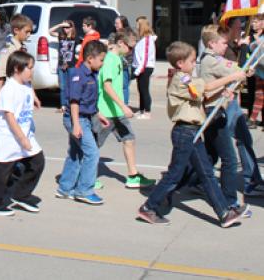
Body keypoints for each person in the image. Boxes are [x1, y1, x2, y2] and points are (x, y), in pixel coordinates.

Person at [137, 41, 248, 227]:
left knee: (207, 174)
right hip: (184, 131)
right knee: (175, 174)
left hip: (193, 131)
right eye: (192, 60)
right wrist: (231, 77)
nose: (194, 63)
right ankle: (149, 207)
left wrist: (224, 91)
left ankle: (224, 213)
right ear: (180, 63)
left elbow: (203, 97)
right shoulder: (182, 79)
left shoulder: (188, 79)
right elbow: (204, 88)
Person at [201, 24, 263, 200]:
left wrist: (245, 71)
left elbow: (236, 69)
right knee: (223, 155)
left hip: (228, 103)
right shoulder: (213, 57)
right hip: (218, 109)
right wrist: (243, 50)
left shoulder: (223, 51)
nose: (226, 44)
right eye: (224, 41)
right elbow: (232, 69)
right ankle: (230, 200)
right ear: (213, 42)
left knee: (214, 151)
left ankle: (193, 179)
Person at [0, 51, 45, 216]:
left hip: (24, 132)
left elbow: (28, 90)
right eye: (30, 68)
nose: (32, 71)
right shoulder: (9, 89)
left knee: (38, 163)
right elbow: (9, 117)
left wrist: (35, 98)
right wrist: (22, 139)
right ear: (18, 69)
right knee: (3, 171)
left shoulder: (25, 84)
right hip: (9, 136)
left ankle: (21, 195)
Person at [95, 31, 155, 189]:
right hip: (106, 112)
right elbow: (107, 86)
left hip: (116, 112)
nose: (131, 51)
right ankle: (85, 177)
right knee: (93, 146)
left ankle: (133, 176)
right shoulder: (110, 60)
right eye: (130, 47)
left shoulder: (118, 59)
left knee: (129, 138)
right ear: (120, 42)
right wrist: (123, 105)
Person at [55, 40, 109, 205]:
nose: (102, 63)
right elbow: (74, 102)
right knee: (92, 153)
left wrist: (98, 114)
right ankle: (84, 191)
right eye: (101, 60)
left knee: (76, 153)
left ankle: (64, 188)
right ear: (90, 58)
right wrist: (77, 124)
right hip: (76, 118)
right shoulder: (78, 75)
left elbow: (88, 101)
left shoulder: (92, 74)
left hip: (84, 117)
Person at [0, 14, 40, 108]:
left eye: (30, 32)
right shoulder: (8, 48)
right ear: (16, 30)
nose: (29, 35)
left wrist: (33, 95)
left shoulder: (23, 48)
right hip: (11, 91)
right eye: (26, 32)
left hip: (22, 90)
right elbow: (1, 74)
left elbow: (28, 75)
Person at [49, 19, 77, 112]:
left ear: (72, 28)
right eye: (64, 28)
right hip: (61, 64)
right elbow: (50, 31)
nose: (65, 29)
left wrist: (70, 32)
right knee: (62, 86)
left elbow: (73, 50)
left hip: (71, 65)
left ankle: (70, 105)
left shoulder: (75, 38)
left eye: (67, 27)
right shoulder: (61, 36)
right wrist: (60, 25)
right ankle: (63, 106)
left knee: (71, 85)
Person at [133, 16, 157, 119]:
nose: (136, 26)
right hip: (141, 67)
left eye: (138, 24)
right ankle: (142, 109)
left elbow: (145, 57)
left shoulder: (147, 39)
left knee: (144, 89)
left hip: (145, 67)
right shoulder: (142, 39)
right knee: (140, 89)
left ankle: (147, 111)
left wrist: (138, 71)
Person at [247, 15, 263, 130]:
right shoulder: (251, 36)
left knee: (259, 97)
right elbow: (251, 51)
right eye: (253, 22)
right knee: (259, 96)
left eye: (256, 22)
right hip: (258, 72)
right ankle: (252, 119)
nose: (253, 24)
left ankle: (252, 119)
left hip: (260, 71)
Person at [115, 16, 134, 105]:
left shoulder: (128, 35)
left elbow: (130, 50)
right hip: (116, 63)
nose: (116, 25)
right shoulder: (115, 34)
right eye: (115, 23)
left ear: (123, 23)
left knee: (124, 85)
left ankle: (124, 104)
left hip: (125, 64)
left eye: (117, 23)